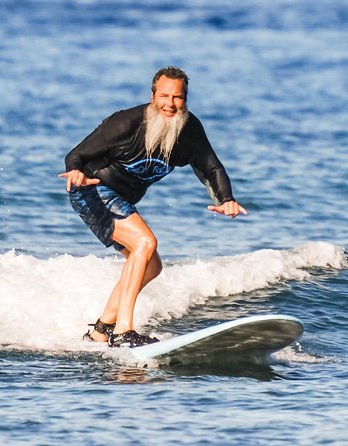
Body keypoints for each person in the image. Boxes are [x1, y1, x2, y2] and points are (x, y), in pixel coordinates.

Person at [60, 66, 247, 348]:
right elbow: (76, 155)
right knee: (145, 243)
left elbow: (211, 166)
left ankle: (100, 331)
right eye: (164, 96)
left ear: (185, 99)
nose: (170, 104)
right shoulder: (126, 123)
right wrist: (74, 171)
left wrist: (226, 199)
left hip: (121, 199)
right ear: (152, 95)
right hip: (93, 190)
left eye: (178, 97)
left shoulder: (188, 130)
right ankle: (124, 331)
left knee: (152, 265)